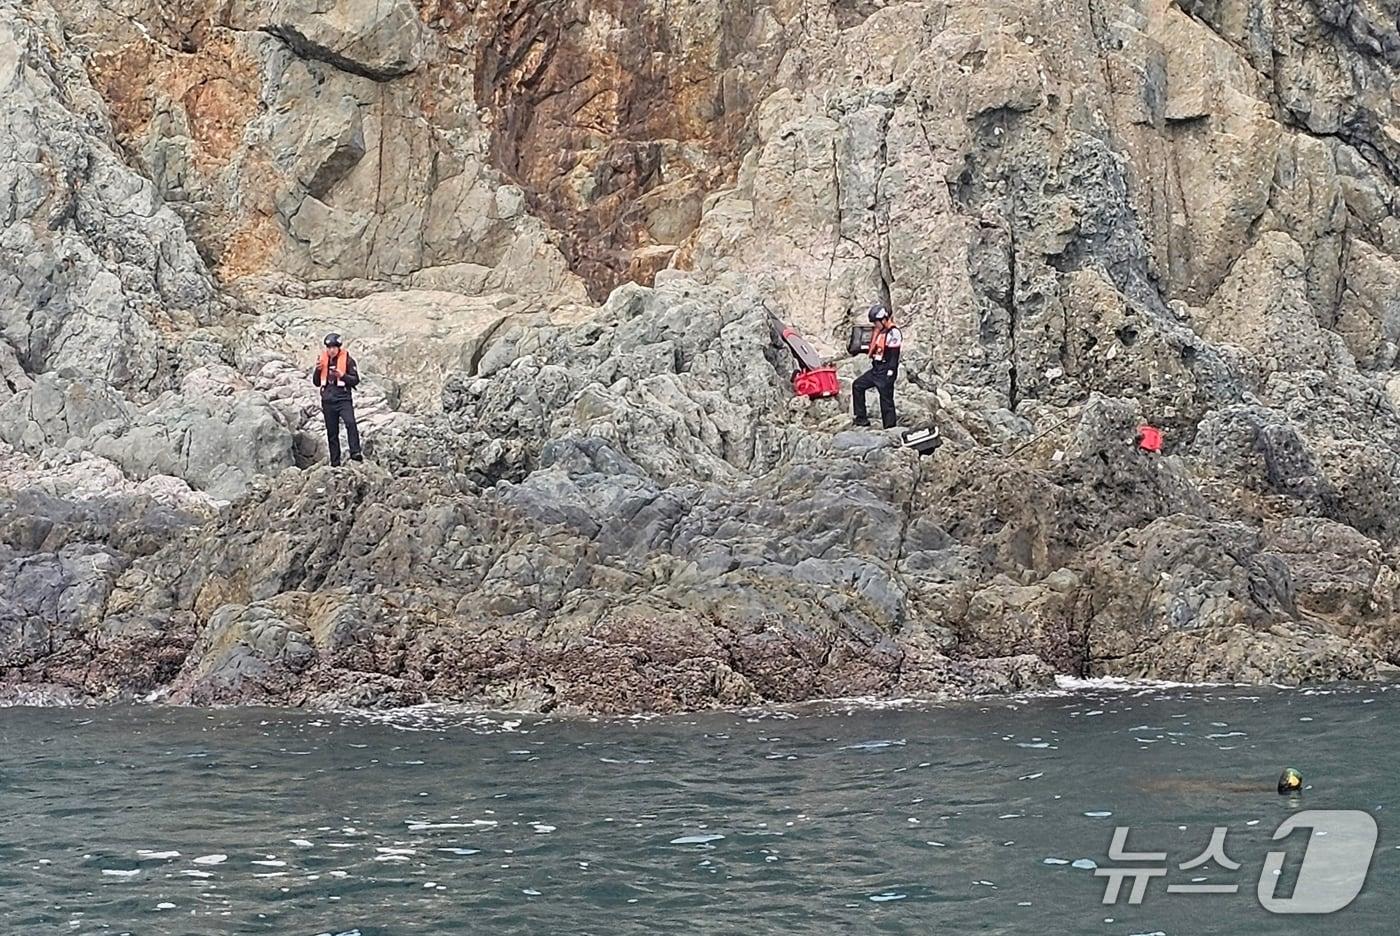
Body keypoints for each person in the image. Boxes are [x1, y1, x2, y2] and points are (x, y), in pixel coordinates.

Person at [311, 332, 362, 466]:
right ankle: (335, 462)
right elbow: (316, 382)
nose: (331, 350)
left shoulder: (348, 361)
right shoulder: (322, 361)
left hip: (343, 398)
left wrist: (343, 375)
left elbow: (355, 380)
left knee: (350, 423)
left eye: (334, 347)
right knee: (332, 432)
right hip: (328, 400)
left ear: (338, 347)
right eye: (329, 348)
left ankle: (355, 453)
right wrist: (317, 370)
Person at [852, 303, 902, 428]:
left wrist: (891, 372)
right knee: (857, 385)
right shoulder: (880, 332)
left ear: (883, 320)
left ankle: (890, 426)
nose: (876, 325)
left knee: (886, 400)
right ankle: (861, 418)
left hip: (886, 370)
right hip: (876, 368)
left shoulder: (893, 333)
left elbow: (894, 355)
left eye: (876, 322)